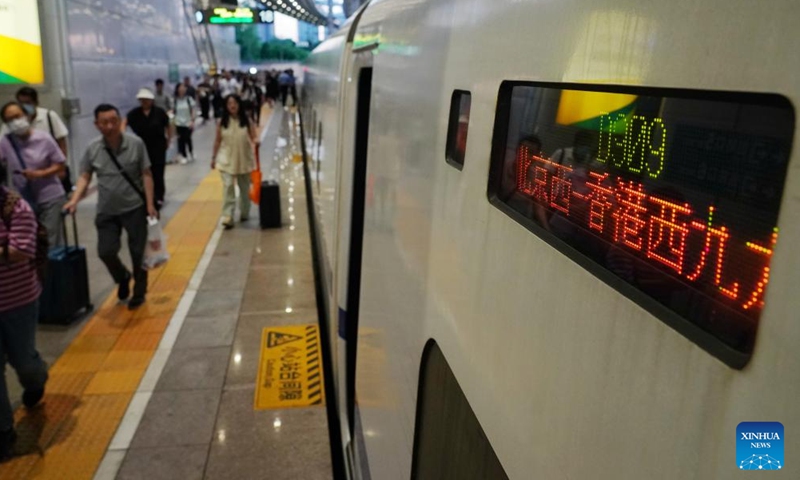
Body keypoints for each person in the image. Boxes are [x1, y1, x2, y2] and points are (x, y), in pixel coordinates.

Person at [64, 104, 157, 310]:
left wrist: (150, 204)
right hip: (106, 210)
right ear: (96, 125)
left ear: (119, 120)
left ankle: (139, 292)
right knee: (105, 251)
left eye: (114, 121)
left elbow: (146, 174)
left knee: (138, 253)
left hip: (134, 207)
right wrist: (74, 199)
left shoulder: (135, 143)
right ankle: (122, 276)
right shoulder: (93, 148)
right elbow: (85, 176)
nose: (110, 126)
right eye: (104, 122)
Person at [0, 160, 49, 461]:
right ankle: (4, 432)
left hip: (18, 301)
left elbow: (20, 251)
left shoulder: (15, 208)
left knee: (24, 361)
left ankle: (37, 379)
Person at [0, 102, 67, 247]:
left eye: (17, 116)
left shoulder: (44, 138)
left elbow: (60, 163)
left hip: (50, 197)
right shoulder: (5, 142)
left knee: (49, 242)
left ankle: (52, 269)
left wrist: (40, 173)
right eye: (9, 120)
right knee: (30, 243)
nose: (15, 122)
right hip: (24, 201)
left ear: (26, 115)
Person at [211, 95, 258, 229]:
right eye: (229, 103)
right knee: (228, 186)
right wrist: (213, 158)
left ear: (239, 104)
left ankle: (244, 212)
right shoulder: (222, 122)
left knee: (244, 188)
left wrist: (256, 142)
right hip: (226, 159)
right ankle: (228, 215)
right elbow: (218, 141)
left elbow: (253, 137)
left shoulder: (247, 121)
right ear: (226, 106)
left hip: (243, 159)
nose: (232, 106)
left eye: (235, 103)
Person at [122, 88, 171, 209]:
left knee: (158, 172)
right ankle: (146, 195)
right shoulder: (135, 113)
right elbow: (124, 122)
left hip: (158, 146)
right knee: (144, 171)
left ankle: (158, 196)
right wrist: (123, 137)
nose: (144, 102)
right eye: (142, 100)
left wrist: (168, 140)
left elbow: (168, 126)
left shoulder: (159, 112)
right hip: (141, 147)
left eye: (146, 100)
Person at [173, 84, 196, 164]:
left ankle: (190, 152)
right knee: (181, 140)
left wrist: (192, 121)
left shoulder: (189, 99)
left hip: (188, 122)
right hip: (178, 123)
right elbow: (173, 111)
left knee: (188, 138)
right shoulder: (175, 100)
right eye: (181, 88)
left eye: (184, 88)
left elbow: (192, 110)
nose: (183, 89)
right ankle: (184, 155)